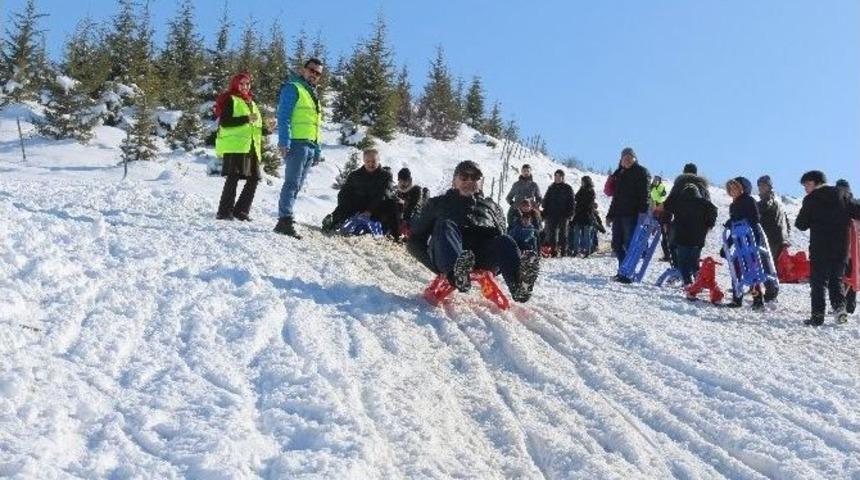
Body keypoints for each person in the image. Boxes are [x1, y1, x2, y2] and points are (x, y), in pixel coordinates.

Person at [407, 160, 540, 303]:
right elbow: (415, 238)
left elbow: (503, 240)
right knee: (447, 225)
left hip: (482, 256)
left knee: (504, 240)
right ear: (454, 181)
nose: (469, 181)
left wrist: (501, 266)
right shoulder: (438, 203)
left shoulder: (491, 206)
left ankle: (520, 286)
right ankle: (457, 274)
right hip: (449, 254)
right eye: (464, 177)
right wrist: (434, 265)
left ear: (480, 182)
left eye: (475, 177)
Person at [795, 171, 860, 326]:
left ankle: (817, 316)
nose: (805, 189)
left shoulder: (811, 199)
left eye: (807, 184)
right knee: (836, 280)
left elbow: (801, 224)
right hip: (841, 247)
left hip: (820, 247)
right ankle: (840, 310)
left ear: (817, 182)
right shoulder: (843, 194)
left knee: (818, 281)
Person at [274, 58, 324, 239]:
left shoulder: (313, 95)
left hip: (309, 145)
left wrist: (317, 148)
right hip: (296, 143)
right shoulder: (293, 88)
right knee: (292, 182)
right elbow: (284, 116)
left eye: (318, 73)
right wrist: (284, 141)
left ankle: (286, 217)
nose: (314, 75)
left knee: (298, 185)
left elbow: (315, 124)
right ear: (303, 70)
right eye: (312, 70)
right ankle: (284, 220)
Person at [214, 73, 269, 221]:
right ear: (235, 84)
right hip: (235, 145)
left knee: (254, 178)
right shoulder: (231, 99)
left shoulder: (251, 102)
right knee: (233, 177)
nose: (245, 87)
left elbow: (254, 126)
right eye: (242, 84)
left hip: (251, 146)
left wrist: (267, 129)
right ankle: (224, 212)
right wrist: (246, 118)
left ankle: (241, 211)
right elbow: (224, 122)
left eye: (248, 84)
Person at [723, 177, 777, 308]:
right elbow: (734, 228)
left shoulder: (748, 201)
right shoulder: (733, 205)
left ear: (743, 188)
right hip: (739, 242)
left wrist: (756, 242)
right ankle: (737, 298)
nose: (733, 191)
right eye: (731, 189)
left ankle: (757, 299)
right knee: (736, 269)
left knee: (752, 270)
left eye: (735, 188)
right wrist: (727, 245)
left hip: (750, 241)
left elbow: (754, 220)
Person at [322, 149, 398, 236]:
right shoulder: (355, 175)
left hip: (377, 207)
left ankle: (395, 236)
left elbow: (383, 194)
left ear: (378, 160)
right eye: (367, 161)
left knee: (392, 204)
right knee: (348, 200)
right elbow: (343, 193)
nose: (370, 164)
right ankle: (333, 221)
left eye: (373, 161)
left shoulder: (386, 175)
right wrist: (343, 205)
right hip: (358, 206)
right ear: (364, 161)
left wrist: (369, 211)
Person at [607, 147, 650, 281]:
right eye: (624, 158)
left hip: (632, 215)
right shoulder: (620, 173)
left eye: (629, 157)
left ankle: (627, 273)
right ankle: (623, 270)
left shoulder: (641, 172)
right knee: (616, 244)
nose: (626, 160)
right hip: (619, 214)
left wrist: (643, 213)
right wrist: (610, 214)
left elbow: (645, 194)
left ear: (634, 158)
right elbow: (616, 196)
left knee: (629, 244)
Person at [663, 183, 718, 287]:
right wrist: (709, 225)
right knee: (694, 261)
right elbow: (714, 211)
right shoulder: (704, 203)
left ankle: (687, 283)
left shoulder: (679, 202)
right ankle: (698, 280)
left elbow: (666, 205)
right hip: (698, 238)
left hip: (682, 237)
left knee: (683, 261)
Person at [541, 169, 575, 256]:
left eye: (559, 176)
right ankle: (553, 251)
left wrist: (570, 213)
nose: (557, 178)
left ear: (563, 178)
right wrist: (544, 211)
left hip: (564, 214)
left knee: (563, 233)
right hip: (552, 213)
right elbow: (546, 200)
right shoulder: (551, 188)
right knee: (552, 233)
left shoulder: (567, 188)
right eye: (556, 176)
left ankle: (564, 251)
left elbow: (571, 202)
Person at [756, 175, 790, 260]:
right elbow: (787, 222)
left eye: (763, 185)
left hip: (772, 239)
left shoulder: (769, 199)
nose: (761, 188)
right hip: (780, 240)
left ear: (769, 187)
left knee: (768, 266)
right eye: (759, 185)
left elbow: (765, 207)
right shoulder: (779, 202)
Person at [570, 176, 597, 257]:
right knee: (577, 233)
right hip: (579, 215)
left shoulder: (591, 191)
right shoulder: (581, 190)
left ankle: (587, 251)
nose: (582, 183)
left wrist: (580, 205)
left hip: (587, 215)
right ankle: (575, 250)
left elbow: (588, 203)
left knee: (586, 235)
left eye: (583, 181)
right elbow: (576, 198)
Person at [395, 167, 425, 234]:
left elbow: (413, 206)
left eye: (405, 181)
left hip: (415, 213)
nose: (402, 183)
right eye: (400, 180)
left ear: (409, 180)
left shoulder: (416, 190)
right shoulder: (396, 189)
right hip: (402, 213)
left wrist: (405, 220)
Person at [650, 175, 671, 261]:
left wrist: (655, 188)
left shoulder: (660, 187)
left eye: (657, 180)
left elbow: (661, 195)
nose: (655, 181)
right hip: (654, 208)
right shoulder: (651, 187)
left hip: (661, 209)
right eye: (654, 179)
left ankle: (668, 255)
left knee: (664, 234)